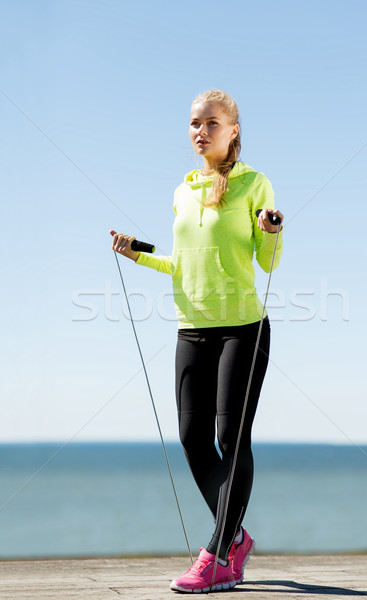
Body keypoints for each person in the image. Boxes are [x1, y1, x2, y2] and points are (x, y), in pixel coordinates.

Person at [110, 89, 283, 593]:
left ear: (233, 131)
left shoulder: (255, 182)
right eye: (193, 124)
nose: (200, 131)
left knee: (231, 440)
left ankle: (214, 554)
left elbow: (269, 262)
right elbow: (183, 265)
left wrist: (271, 231)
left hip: (243, 328)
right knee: (191, 438)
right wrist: (138, 255)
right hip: (192, 328)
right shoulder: (182, 190)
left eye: (211, 123)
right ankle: (236, 539)